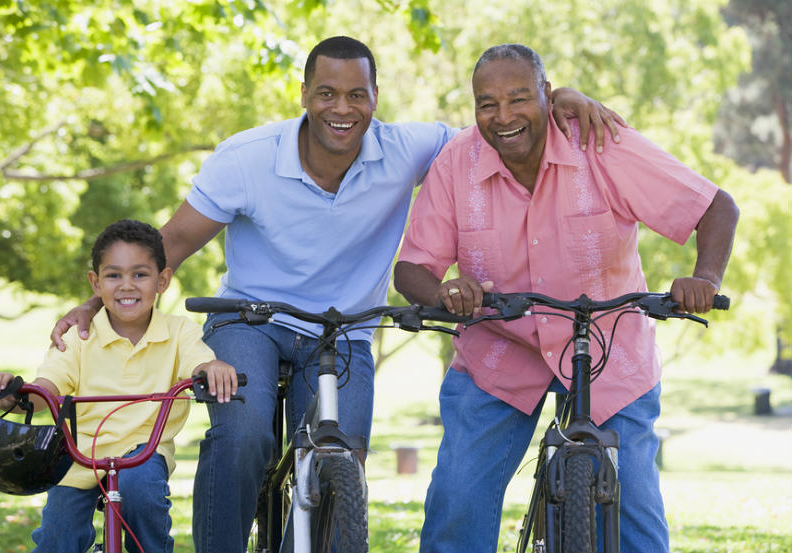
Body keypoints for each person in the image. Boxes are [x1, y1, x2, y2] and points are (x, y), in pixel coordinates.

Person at [48, 37, 626, 552]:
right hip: (251, 318)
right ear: (303, 93)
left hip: (345, 328)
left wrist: (560, 99)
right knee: (244, 433)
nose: (342, 108)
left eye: (357, 94)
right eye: (326, 92)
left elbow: (495, 133)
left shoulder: (410, 148)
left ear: (376, 97)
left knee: (343, 456)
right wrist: (94, 305)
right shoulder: (246, 159)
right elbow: (169, 243)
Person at [393, 43, 739, 553]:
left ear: (547, 96)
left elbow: (716, 207)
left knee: (636, 518)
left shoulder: (600, 144)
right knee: (456, 503)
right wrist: (444, 289)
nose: (503, 116)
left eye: (518, 98)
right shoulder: (455, 164)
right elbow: (411, 267)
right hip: (499, 353)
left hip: (609, 352)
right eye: (487, 103)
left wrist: (704, 278)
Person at [0, 219, 237, 553]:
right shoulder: (79, 337)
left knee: (142, 495)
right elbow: (45, 390)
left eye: (140, 274)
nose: (126, 285)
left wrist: (211, 367)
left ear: (162, 281)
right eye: (114, 275)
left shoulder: (179, 332)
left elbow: (198, 363)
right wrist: (12, 395)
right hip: (80, 455)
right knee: (59, 534)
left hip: (144, 452)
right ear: (96, 282)